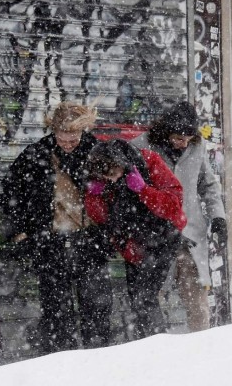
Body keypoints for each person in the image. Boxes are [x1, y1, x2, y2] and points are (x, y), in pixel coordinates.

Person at [2, 101, 113, 354]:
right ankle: (60, 365)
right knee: (56, 313)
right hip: (49, 243)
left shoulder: (98, 153)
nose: (67, 143)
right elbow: (12, 193)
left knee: (97, 310)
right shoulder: (36, 155)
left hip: (90, 241)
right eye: (62, 138)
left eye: (73, 138)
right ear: (53, 131)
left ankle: (98, 364)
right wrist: (21, 231)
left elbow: (117, 193)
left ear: (83, 131)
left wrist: (109, 232)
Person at [132, 101, 227, 331]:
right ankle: (153, 348)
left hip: (190, 236)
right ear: (165, 131)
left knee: (197, 303)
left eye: (187, 138)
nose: (182, 143)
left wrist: (218, 217)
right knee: (151, 300)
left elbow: (209, 185)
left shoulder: (196, 147)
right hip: (154, 237)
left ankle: (201, 349)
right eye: (177, 137)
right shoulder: (139, 147)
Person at [84, 139, 187, 339]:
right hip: (131, 244)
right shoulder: (104, 177)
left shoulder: (149, 162)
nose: (111, 180)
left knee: (145, 297)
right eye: (106, 177)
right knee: (137, 299)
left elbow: (173, 206)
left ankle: (157, 346)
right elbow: (101, 217)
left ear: (121, 162)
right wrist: (93, 195)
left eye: (113, 174)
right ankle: (146, 344)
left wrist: (143, 190)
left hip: (161, 239)